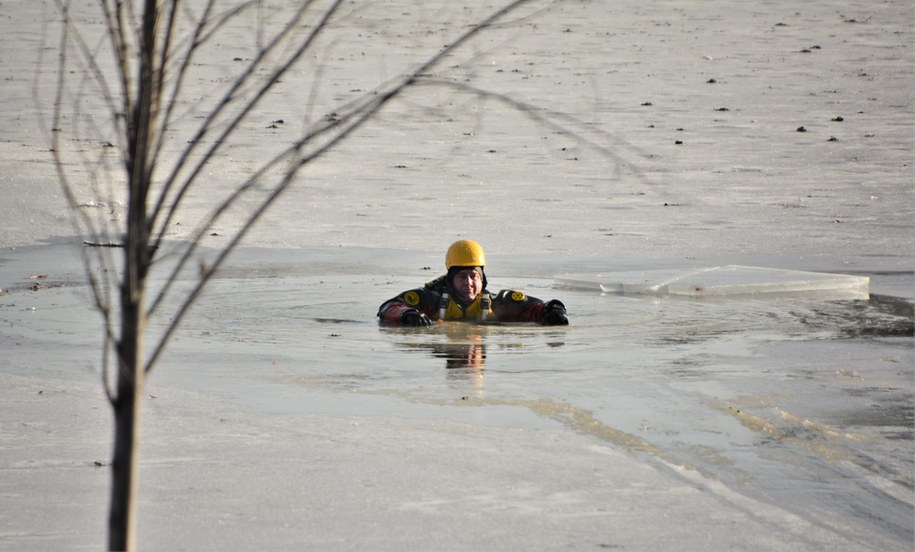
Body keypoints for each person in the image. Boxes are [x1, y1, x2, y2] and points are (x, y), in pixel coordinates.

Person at [377, 240, 569, 326]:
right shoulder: (431, 299)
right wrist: (407, 314)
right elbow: (388, 307)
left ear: (482, 279)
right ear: (450, 279)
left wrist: (554, 311)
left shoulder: (498, 303)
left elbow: (538, 308)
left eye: (473, 276)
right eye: (462, 277)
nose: (468, 282)